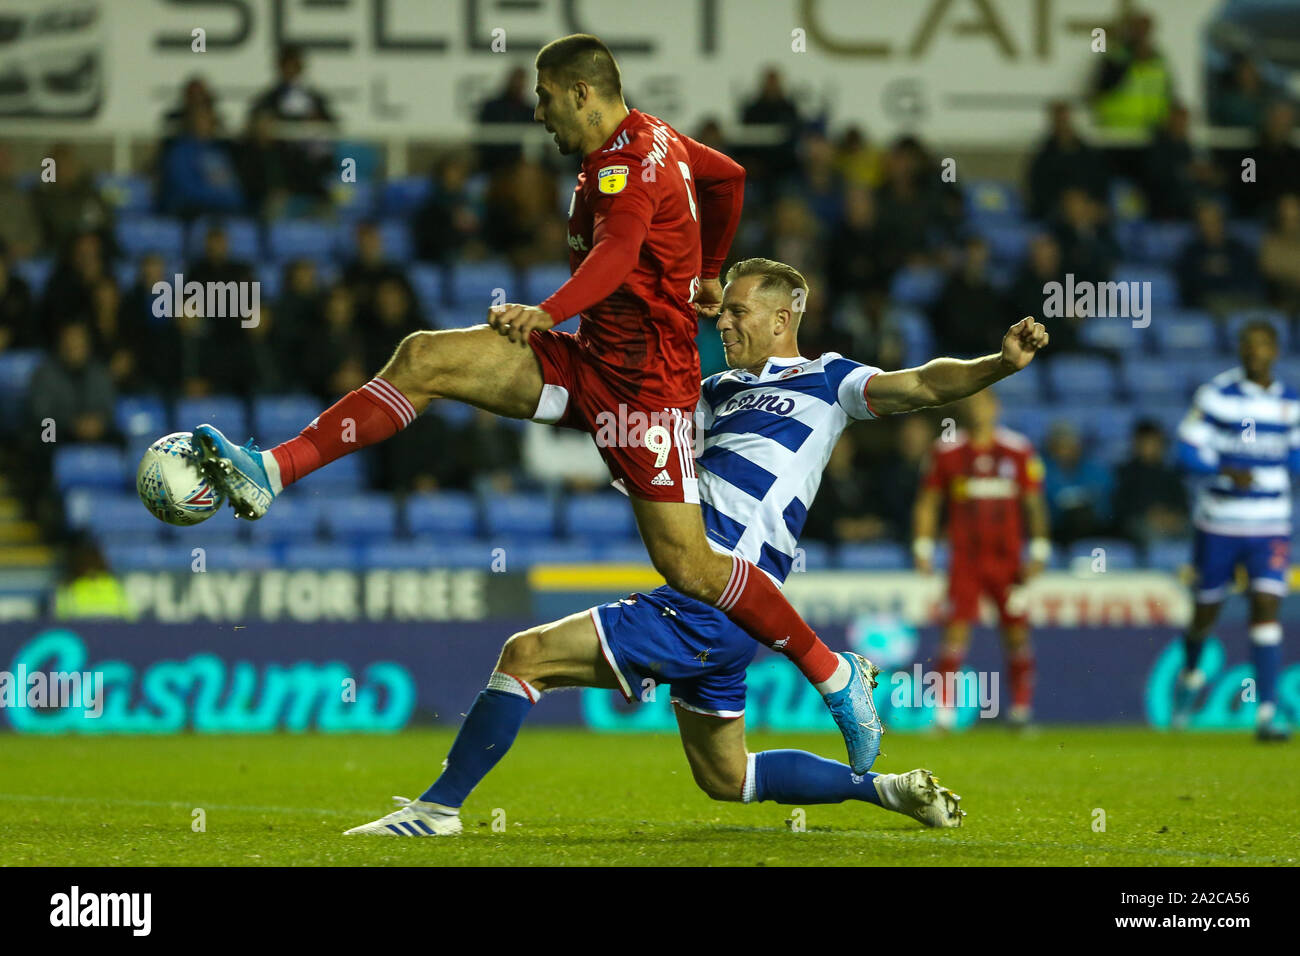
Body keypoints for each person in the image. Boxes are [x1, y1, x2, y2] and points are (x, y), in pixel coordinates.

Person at [187, 34, 883, 772]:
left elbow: (616, 256)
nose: (538, 113)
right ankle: (271, 469)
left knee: (696, 570)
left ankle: (838, 680)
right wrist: (708, 270)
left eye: (545, 98)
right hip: (591, 365)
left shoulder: (621, 167)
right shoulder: (659, 141)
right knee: (426, 356)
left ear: (584, 93)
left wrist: (551, 309)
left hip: (648, 390)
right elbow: (730, 178)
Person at [342, 258, 1050, 837]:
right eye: (724, 309)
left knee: (526, 657)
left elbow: (924, 383)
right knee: (727, 778)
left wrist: (1000, 362)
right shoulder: (711, 391)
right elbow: (629, 416)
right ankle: (887, 790)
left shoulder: (831, 380)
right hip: (717, 599)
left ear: (783, 318)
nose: (726, 321)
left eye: (739, 311)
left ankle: (436, 811)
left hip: (720, 595)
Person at [1174, 320, 1295, 741]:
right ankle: (1190, 676)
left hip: (1271, 525)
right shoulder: (1217, 397)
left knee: (1266, 607)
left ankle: (1267, 713)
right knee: (1205, 613)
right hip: (1219, 523)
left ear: (1275, 350)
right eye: (1247, 345)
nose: (1254, 352)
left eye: (1262, 345)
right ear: (1239, 350)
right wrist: (1223, 469)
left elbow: (1295, 459)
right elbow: (1186, 451)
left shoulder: (1291, 403)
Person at [913, 388, 1051, 728]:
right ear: (965, 408)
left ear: (996, 407)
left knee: (1016, 632)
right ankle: (944, 714)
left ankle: (1020, 710)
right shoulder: (947, 452)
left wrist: (1039, 549)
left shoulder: (1018, 451)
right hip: (966, 560)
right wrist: (923, 546)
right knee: (956, 631)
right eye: (973, 403)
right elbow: (929, 501)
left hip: (1007, 561)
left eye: (985, 403)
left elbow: (1034, 503)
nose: (980, 410)